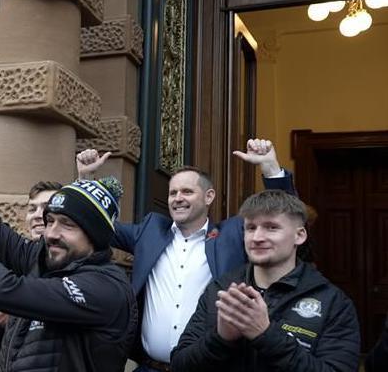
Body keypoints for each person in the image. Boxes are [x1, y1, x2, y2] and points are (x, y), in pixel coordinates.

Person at [76, 138, 295, 371]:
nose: (177, 198)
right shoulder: (149, 232)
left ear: (208, 197)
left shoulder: (232, 235)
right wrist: (85, 181)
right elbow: (94, 225)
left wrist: (270, 167)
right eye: (173, 193)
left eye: (187, 191)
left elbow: (283, 215)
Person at [0, 136, 137, 372]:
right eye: (50, 221)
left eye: (67, 224)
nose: (51, 234)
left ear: (95, 234)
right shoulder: (45, 259)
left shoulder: (105, 286)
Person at [170, 189, 360, 371]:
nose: (257, 237)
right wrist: (221, 339)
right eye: (250, 228)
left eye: (272, 227)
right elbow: (180, 364)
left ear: (299, 235)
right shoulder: (222, 290)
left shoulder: (333, 302)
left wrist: (266, 335)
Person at [0, 180, 62, 370]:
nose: (36, 215)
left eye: (45, 208)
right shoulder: (9, 266)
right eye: (32, 209)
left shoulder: (70, 269)